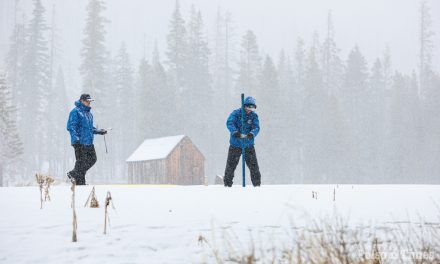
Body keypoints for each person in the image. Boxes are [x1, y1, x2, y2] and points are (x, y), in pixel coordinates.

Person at [66, 94, 107, 185]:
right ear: (82, 101)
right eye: (87, 101)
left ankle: (73, 174)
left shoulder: (89, 114)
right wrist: (76, 139)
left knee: (92, 159)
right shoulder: (75, 112)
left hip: (88, 142)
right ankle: (80, 183)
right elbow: (71, 127)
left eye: (90, 101)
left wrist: (100, 131)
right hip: (79, 142)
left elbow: (90, 128)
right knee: (81, 162)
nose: (89, 103)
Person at [224, 96, 261, 187]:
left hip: (248, 145)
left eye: (252, 108)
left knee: (254, 167)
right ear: (244, 106)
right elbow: (229, 122)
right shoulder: (236, 113)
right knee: (230, 167)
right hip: (235, 145)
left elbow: (256, 127)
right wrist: (234, 132)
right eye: (248, 107)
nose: (250, 109)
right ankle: (227, 186)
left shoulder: (254, 116)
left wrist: (252, 134)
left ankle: (257, 187)